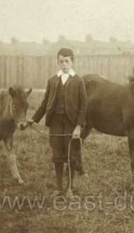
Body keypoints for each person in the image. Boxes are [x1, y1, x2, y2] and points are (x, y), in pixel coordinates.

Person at [29, 48, 87, 196]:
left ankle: (70, 187)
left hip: (71, 124)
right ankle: (59, 187)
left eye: (67, 61)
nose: (64, 64)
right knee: (57, 155)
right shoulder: (52, 81)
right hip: (55, 123)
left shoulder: (78, 81)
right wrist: (34, 119)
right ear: (58, 62)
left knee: (71, 155)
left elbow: (84, 106)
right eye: (61, 61)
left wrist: (78, 126)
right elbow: (44, 104)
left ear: (72, 61)